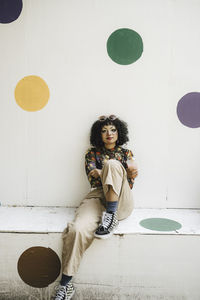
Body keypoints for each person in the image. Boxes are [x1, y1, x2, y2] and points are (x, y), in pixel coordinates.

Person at [53, 115, 138, 300]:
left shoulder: (126, 153)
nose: (109, 133)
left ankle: (111, 214)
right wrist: (113, 171)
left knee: (112, 164)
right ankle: (65, 285)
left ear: (119, 132)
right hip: (97, 196)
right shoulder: (91, 154)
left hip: (122, 199)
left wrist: (120, 169)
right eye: (104, 130)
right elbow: (93, 174)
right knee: (77, 229)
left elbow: (132, 170)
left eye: (113, 130)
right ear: (98, 134)